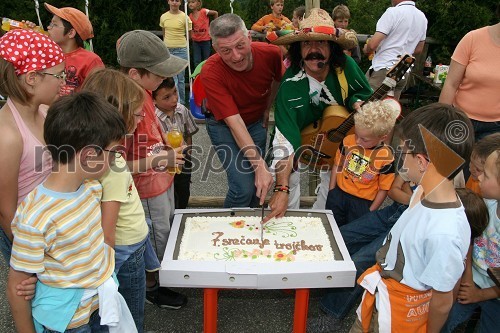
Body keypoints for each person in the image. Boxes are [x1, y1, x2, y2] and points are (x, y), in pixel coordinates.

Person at [7, 92, 135, 332]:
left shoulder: (91, 189)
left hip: (98, 306)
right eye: (113, 152)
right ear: (89, 155)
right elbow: (17, 288)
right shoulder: (36, 217)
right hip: (68, 323)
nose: (116, 159)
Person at [351, 103, 474, 332]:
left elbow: (442, 301)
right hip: (382, 295)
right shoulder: (422, 191)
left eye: (402, 152)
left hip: (402, 315)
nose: (401, 159)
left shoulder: (444, 232)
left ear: (421, 161)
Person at [265, 8, 371, 219]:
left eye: (321, 43)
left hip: (336, 137)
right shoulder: (290, 86)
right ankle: (287, 221)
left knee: (336, 178)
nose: (314, 50)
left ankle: (323, 221)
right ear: (298, 50)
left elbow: (363, 93)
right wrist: (281, 189)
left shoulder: (346, 67)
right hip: (299, 136)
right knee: (288, 176)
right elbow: (285, 140)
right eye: (307, 44)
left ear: (332, 48)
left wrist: (355, 101)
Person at [81, 68, 161, 333]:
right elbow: (108, 231)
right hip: (125, 253)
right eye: (138, 114)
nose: (140, 120)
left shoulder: (91, 154)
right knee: (127, 315)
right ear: (119, 114)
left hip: (128, 246)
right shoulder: (112, 163)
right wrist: (104, 274)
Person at [117, 29, 188, 309]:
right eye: (157, 73)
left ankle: (161, 278)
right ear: (135, 74)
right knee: (156, 238)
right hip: (145, 189)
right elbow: (115, 165)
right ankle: (154, 287)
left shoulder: (144, 93)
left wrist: (166, 156)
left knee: (165, 231)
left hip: (161, 180)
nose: (162, 78)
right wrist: (160, 161)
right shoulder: (125, 107)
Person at [200, 14, 283, 208]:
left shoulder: (271, 53)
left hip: (255, 120)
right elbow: (234, 123)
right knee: (242, 187)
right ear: (215, 49)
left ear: (250, 38)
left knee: (258, 185)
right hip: (223, 125)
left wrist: (267, 107)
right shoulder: (211, 71)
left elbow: (277, 79)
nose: (236, 56)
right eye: (226, 51)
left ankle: (251, 228)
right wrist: (260, 165)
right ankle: (226, 232)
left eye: (240, 46)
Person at [312, 175, 412, 329]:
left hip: (408, 226)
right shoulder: (414, 158)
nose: (405, 153)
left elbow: (419, 205)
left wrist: (406, 190)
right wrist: (412, 197)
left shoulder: (442, 171)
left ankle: (331, 312)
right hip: (391, 213)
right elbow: (393, 191)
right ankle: (326, 283)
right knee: (341, 237)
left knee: (359, 261)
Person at [0, 29, 64, 261]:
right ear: (32, 79)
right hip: (31, 241)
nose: (63, 82)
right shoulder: (8, 136)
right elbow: (6, 213)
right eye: (59, 76)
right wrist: (30, 259)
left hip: (53, 229)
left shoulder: (45, 112)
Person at [442, 147, 500, 332]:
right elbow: (470, 239)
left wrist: (481, 295)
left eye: (487, 175)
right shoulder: (487, 205)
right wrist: (467, 276)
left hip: (494, 293)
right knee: (443, 319)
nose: (479, 178)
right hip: (470, 276)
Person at [325, 100, 399, 227]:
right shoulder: (348, 141)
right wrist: (332, 190)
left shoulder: (386, 157)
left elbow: (384, 188)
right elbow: (338, 164)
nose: (358, 141)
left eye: (364, 139)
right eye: (356, 135)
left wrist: (371, 211)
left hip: (362, 203)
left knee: (350, 235)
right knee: (330, 228)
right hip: (339, 194)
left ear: (382, 137)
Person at [439, 5, 500, 141]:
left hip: (496, 129)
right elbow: (451, 83)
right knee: (451, 162)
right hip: (459, 119)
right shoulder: (473, 38)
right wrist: (440, 120)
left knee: (486, 163)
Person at [363, 0, 427, 100]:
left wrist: (366, 48)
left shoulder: (393, 12)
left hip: (383, 69)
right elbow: (419, 49)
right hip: (403, 71)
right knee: (390, 112)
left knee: (367, 110)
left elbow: (372, 45)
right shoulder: (422, 17)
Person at [153, 78, 199, 209]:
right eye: (167, 97)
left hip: (183, 159)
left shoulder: (182, 110)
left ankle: (181, 216)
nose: (174, 99)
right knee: (168, 197)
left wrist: (188, 156)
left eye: (175, 92)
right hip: (164, 163)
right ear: (154, 100)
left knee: (183, 192)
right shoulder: (153, 117)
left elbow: (188, 133)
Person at [44, 3, 104, 95]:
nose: (48, 27)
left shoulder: (91, 60)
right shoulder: (46, 54)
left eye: (54, 25)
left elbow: (98, 95)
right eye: (50, 23)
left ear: (71, 33)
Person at [160, 0, 192, 105]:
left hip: (181, 49)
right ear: (168, 1)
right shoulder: (163, 17)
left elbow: (189, 35)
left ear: (180, 3)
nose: (174, 2)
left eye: (177, 0)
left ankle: (181, 102)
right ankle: (176, 103)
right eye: (172, 0)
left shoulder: (185, 17)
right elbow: (164, 33)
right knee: (173, 78)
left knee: (181, 79)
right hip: (168, 50)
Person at [188, 0, 218, 68]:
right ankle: (198, 77)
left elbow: (215, 13)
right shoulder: (190, 16)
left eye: (193, 2)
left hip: (205, 40)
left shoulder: (204, 11)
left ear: (198, 3)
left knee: (206, 60)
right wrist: (191, 35)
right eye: (189, 2)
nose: (190, 4)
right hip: (196, 41)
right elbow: (190, 27)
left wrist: (214, 27)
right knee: (196, 61)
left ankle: (206, 75)